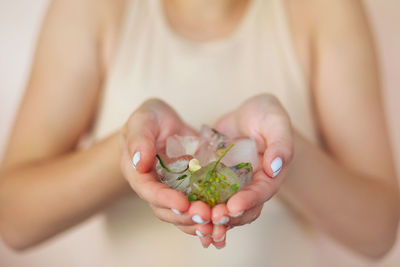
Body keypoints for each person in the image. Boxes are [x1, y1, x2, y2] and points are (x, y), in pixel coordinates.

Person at [0, 0, 399, 266]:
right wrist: (129, 153)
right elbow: (13, 220)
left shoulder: (325, 10)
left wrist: (281, 153)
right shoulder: (91, 9)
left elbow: (378, 231)